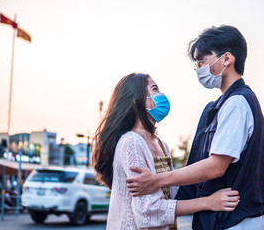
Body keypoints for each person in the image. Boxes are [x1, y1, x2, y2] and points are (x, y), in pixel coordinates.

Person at [126, 26, 264, 230]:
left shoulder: (236, 103)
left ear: (227, 59)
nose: (199, 67)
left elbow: (216, 166)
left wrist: (155, 180)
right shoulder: (223, 104)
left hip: (233, 220)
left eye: (202, 60)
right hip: (228, 218)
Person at [92, 73, 240, 230]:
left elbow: (168, 200)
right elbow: (148, 211)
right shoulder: (131, 142)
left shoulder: (162, 145)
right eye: (154, 89)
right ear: (137, 101)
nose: (161, 95)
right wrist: (208, 202)